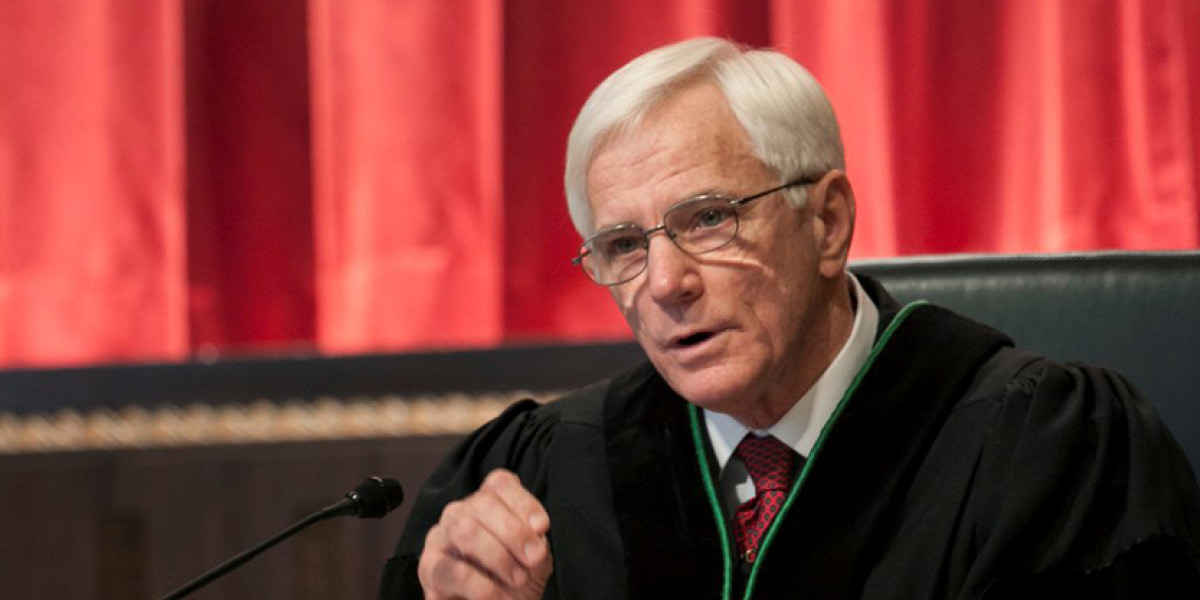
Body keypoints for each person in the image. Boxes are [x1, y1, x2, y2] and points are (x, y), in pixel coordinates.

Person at [377, 37, 1200, 599]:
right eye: (624, 244)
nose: (666, 282)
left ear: (828, 223)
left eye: (707, 219)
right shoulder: (546, 480)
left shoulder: (1045, 451)